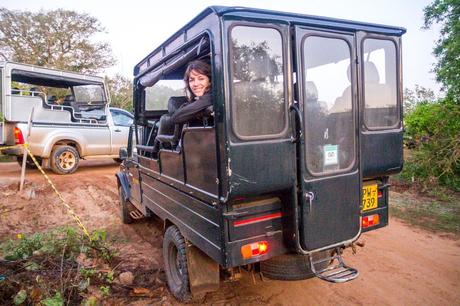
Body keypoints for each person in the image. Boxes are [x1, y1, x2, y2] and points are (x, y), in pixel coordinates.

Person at [169, 59, 213, 125]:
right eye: (191, 80)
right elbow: (175, 118)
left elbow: (176, 118)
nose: (195, 84)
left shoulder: (212, 97)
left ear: (209, 81)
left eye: (201, 79)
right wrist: (202, 112)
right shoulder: (194, 101)